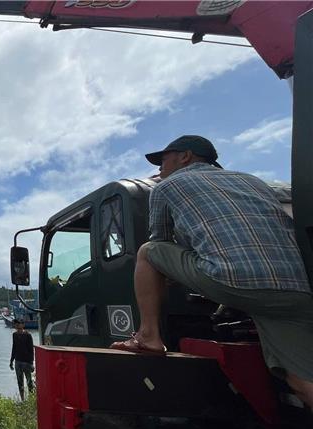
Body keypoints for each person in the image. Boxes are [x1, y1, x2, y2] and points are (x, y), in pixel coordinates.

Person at [110, 135, 313, 407]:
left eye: (164, 159)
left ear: (186, 157)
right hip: (296, 288)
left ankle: (149, 336)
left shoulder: (167, 186)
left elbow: (161, 240)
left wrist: (166, 277)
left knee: (148, 251)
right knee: (303, 382)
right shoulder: (254, 182)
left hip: (232, 280)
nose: (160, 168)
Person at [9, 319, 35, 400]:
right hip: (18, 361)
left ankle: (31, 398)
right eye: (15, 324)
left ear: (23, 325)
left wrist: (31, 363)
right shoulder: (14, 335)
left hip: (27, 362)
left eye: (18, 324)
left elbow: (31, 349)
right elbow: (14, 348)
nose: (16, 325)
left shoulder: (28, 335)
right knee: (20, 382)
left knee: (29, 381)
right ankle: (22, 399)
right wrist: (11, 361)